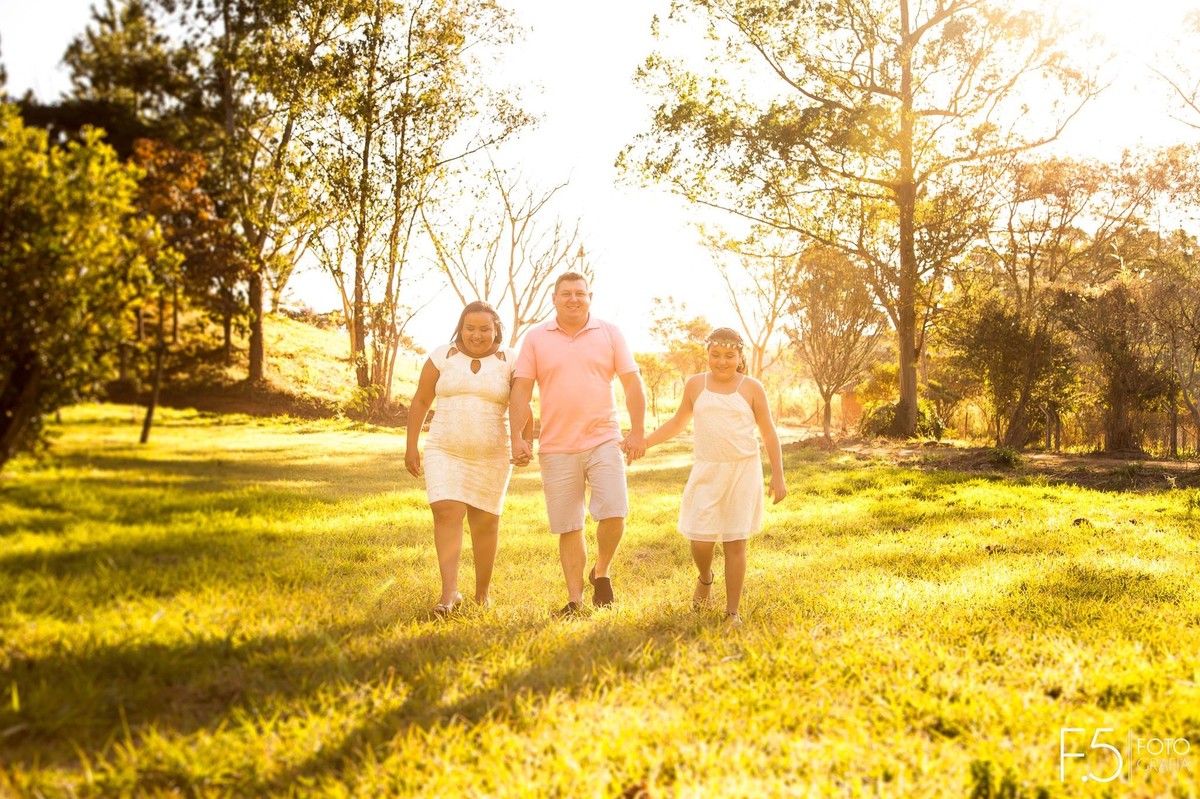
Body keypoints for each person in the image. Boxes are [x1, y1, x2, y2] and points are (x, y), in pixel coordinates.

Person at [509, 272, 647, 616]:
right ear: (554, 298)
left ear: (590, 297)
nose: (574, 299)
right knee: (569, 525)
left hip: (604, 438)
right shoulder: (536, 338)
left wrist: (638, 431)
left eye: (580, 294)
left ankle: (601, 570)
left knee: (614, 511)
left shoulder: (610, 333)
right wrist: (517, 436)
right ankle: (575, 599)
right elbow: (522, 391)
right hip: (556, 446)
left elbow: (632, 384)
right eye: (566, 294)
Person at [644, 327, 787, 626]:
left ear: (740, 356)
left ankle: (732, 612)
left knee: (736, 542)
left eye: (729, 356)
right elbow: (677, 422)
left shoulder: (752, 388)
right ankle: (705, 577)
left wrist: (778, 475)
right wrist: (644, 442)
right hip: (707, 469)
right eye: (715, 355)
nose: (722, 362)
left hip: (743, 470)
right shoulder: (696, 385)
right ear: (707, 354)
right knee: (700, 539)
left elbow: (769, 432)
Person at [405, 301, 528, 616]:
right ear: (460, 327)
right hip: (444, 449)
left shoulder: (510, 359)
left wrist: (523, 442)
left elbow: (522, 404)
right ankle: (449, 593)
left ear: (495, 329)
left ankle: (482, 593)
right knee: (446, 511)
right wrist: (411, 446)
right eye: (470, 328)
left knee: (485, 522)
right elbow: (420, 400)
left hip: (492, 454)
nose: (477, 335)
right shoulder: (441, 356)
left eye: (484, 329)